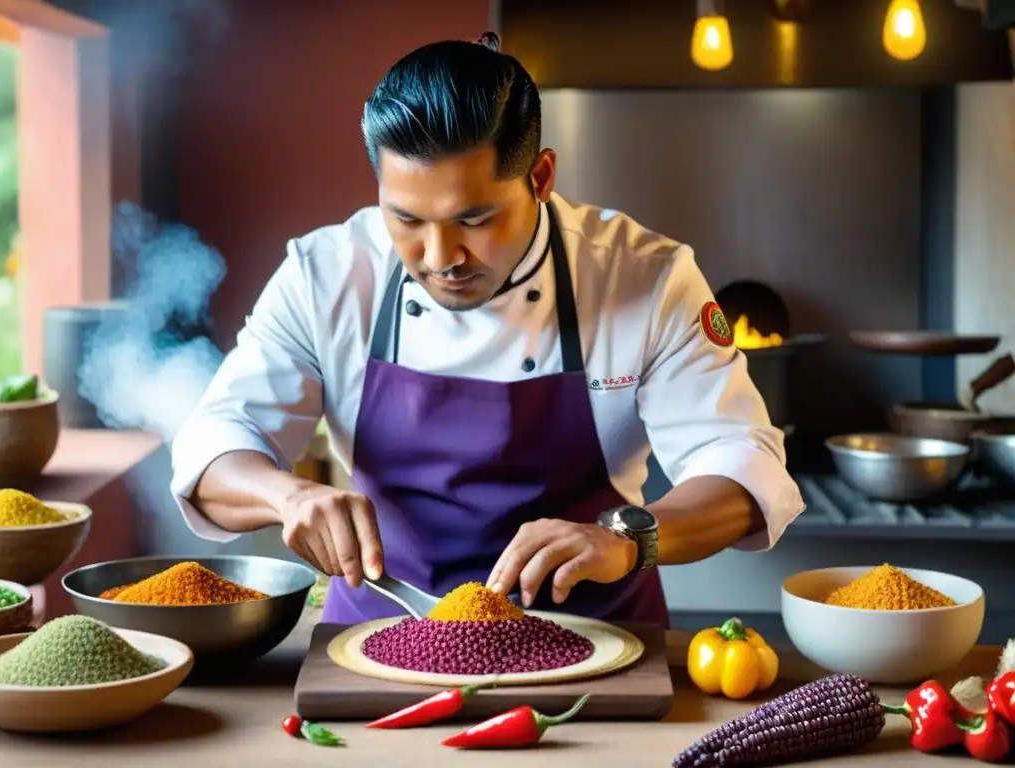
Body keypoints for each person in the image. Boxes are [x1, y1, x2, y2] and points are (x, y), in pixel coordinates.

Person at [170, 32, 804, 627]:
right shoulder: (325, 275)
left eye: (474, 219)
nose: (440, 255)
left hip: (598, 646)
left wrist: (626, 538)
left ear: (542, 178)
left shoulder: (646, 277)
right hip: (379, 643)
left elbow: (742, 467)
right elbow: (216, 445)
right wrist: (286, 497)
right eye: (407, 219)